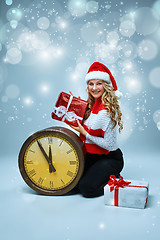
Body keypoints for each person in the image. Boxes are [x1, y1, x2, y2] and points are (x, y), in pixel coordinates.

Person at [69, 61, 124, 198]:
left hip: (109, 157)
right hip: (91, 156)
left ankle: (114, 177)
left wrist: (85, 134)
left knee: (87, 189)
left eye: (98, 83)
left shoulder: (108, 111)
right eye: (90, 83)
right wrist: (74, 106)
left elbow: (110, 145)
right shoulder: (91, 105)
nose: (94, 88)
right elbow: (81, 124)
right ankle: (99, 174)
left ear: (105, 85)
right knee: (71, 185)